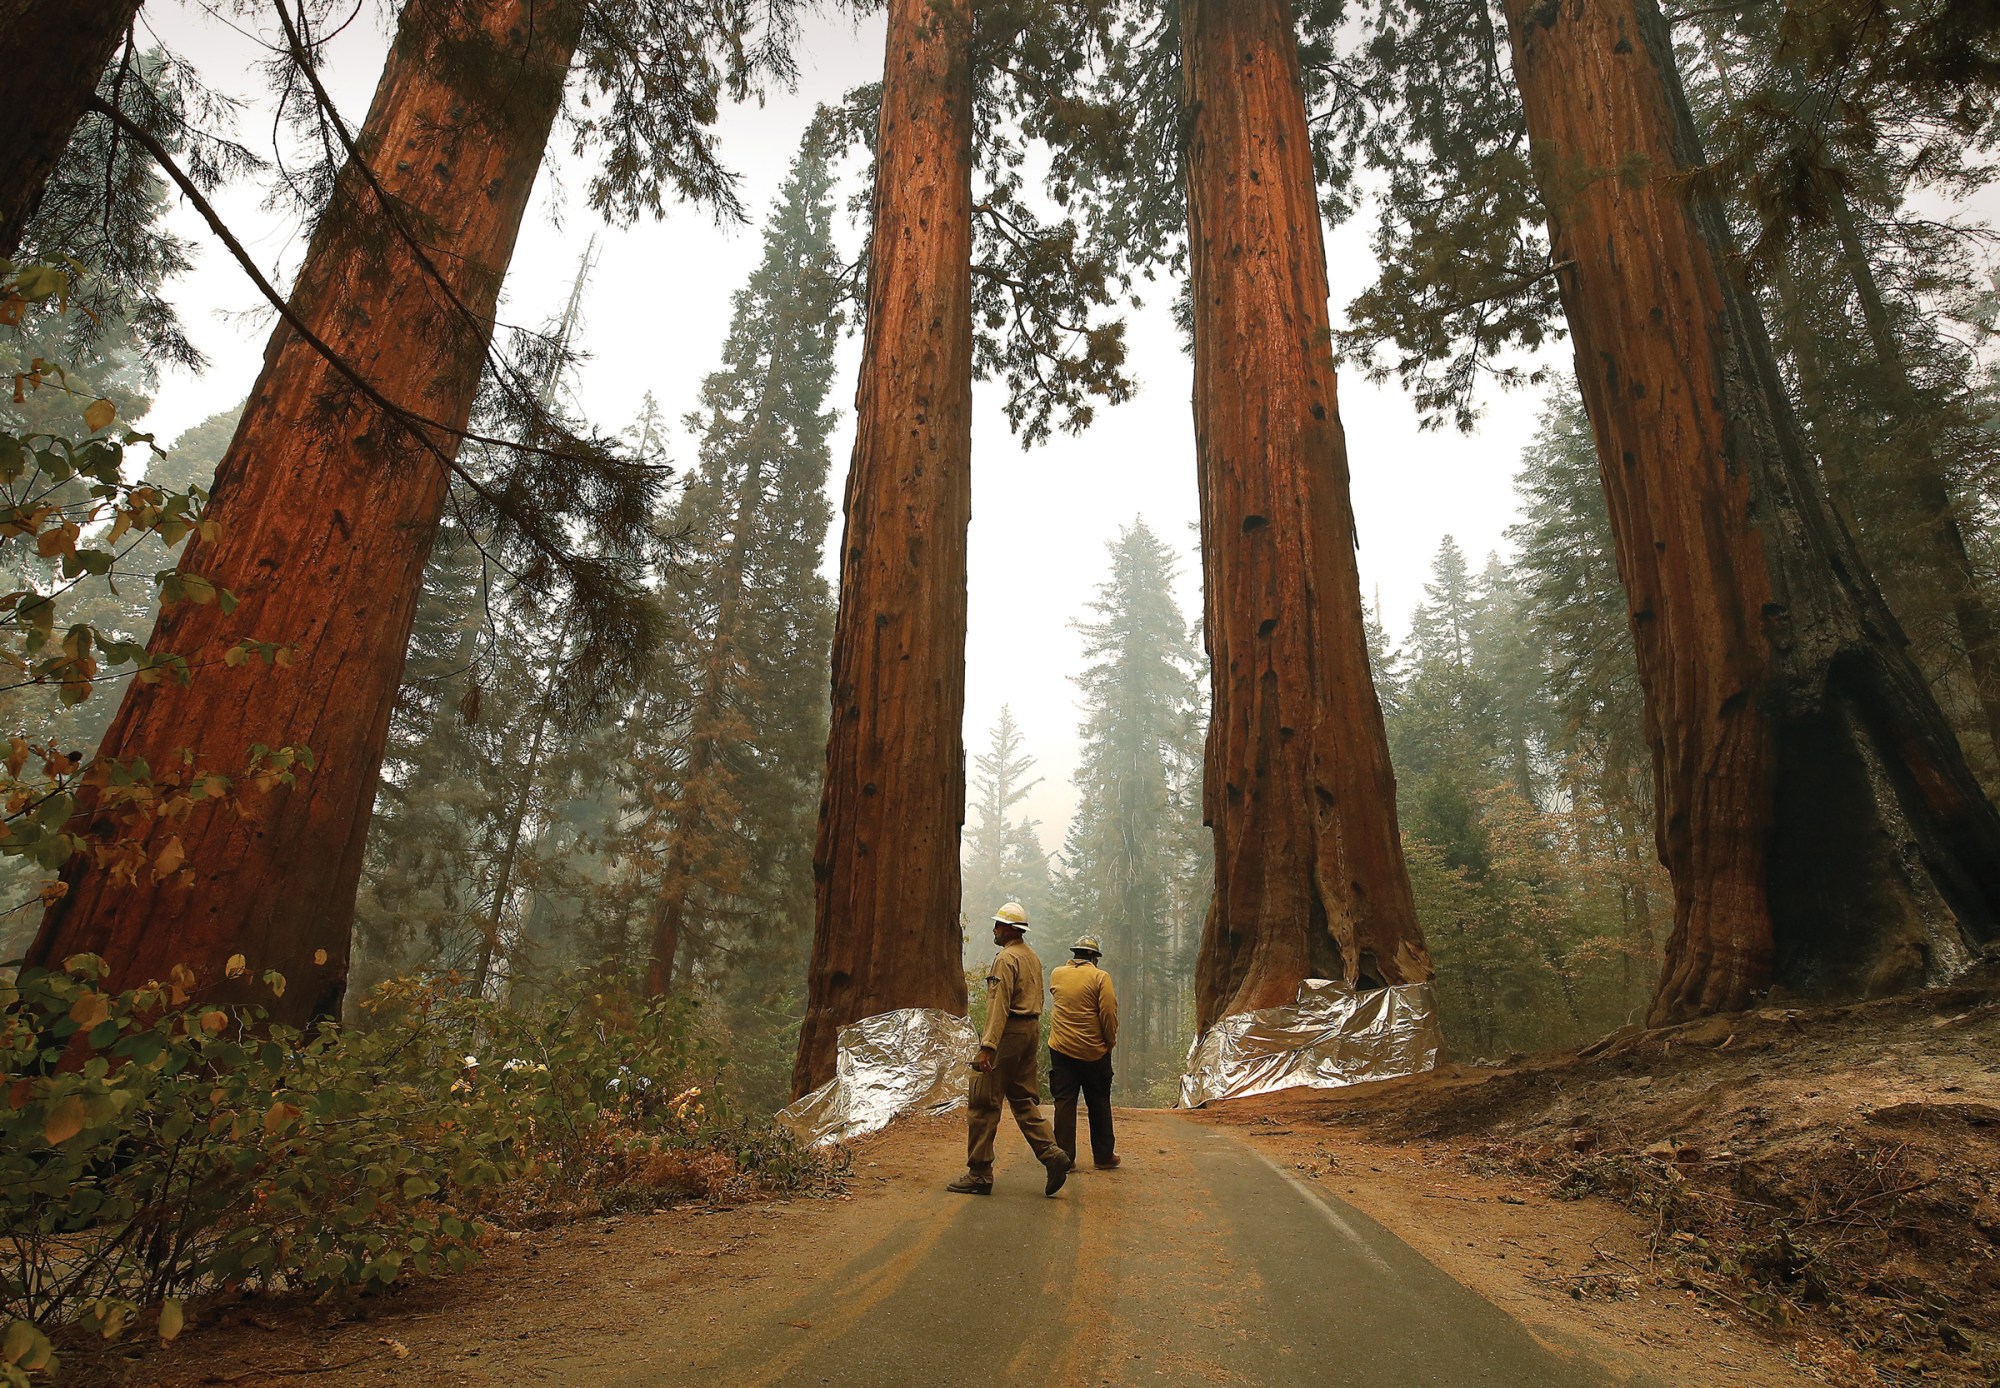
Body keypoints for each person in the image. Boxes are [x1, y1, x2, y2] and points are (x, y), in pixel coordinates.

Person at [947, 901, 1073, 1197]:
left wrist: (988, 1047)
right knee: (1022, 1099)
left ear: (1009, 929)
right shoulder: (1031, 957)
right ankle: (1052, 1154)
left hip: (1009, 1033)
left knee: (983, 1101)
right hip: (1030, 1030)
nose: (994, 929)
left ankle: (979, 1173)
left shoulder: (1005, 959)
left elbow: (998, 1004)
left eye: (998, 925)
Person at [1047, 935, 1119, 1170]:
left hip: (1061, 1048)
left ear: (1074, 955)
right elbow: (1108, 1013)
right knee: (1098, 1101)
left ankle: (1065, 1158)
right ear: (1094, 959)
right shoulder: (1100, 977)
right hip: (1093, 1051)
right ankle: (1103, 1156)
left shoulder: (1057, 974)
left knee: (1064, 1101)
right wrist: (1109, 1041)